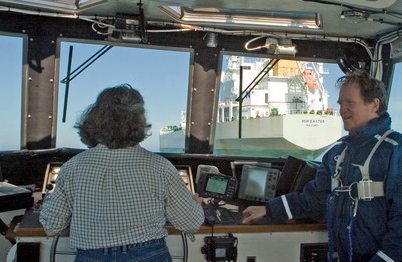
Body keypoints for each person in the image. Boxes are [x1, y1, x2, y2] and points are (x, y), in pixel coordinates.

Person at [241, 70, 402, 262]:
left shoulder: (395, 151)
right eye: (340, 103)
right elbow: (314, 199)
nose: (342, 109)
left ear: (374, 104)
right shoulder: (338, 153)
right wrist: (269, 209)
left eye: (349, 102)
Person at [40, 84, 204, 262]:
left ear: (95, 119)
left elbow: (51, 227)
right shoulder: (161, 167)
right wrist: (194, 204)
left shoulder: (72, 167)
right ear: (140, 122)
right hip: (149, 254)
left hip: (91, 256)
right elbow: (191, 224)